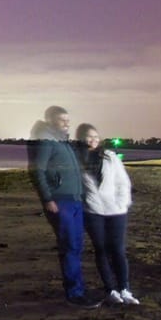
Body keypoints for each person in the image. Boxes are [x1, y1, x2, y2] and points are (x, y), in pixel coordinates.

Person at [28, 105, 100, 307]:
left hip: (75, 199)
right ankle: (74, 294)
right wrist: (48, 199)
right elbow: (37, 171)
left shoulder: (63, 141)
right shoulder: (46, 141)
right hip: (61, 201)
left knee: (76, 245)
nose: (67, 123)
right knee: (70, 246)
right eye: (62, 120)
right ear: (50, 121)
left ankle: (78, 287)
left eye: (68, 120)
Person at [75, 123, 137, 305]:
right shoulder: (76, 160)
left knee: (117, 249)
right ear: (80, 138)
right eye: (88, 136)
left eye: (95, 136)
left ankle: (125, 289)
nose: (93, 139)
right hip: (92, 211)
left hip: (116, 210)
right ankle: (110, 289)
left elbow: (123, 182)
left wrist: (122, 202)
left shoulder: (109, 157)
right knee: (101, 249)